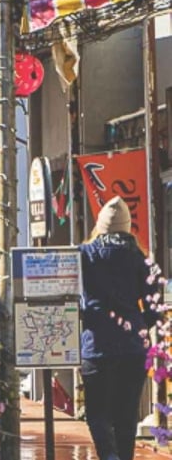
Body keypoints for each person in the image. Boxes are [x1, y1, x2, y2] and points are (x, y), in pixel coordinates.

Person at [80, 196, 156, 460]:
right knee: (126, 416)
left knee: (97, 413)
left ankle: (108, 456)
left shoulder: (85, 254)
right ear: (127, 227)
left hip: (96, 343)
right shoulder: (139, 257)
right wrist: (141, 324)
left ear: (100, 226)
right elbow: (154, 305)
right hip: (132, 347)